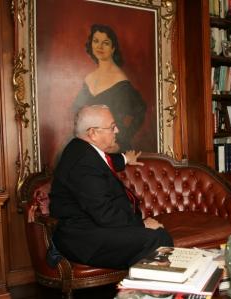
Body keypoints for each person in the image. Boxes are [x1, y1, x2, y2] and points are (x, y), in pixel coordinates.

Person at [49, 105, 173, 269]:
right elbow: (105, 213)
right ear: (93, 133)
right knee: (157, 238)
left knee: (155, 237)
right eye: (112, 127)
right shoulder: (83, 163)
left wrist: (124, 159)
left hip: (91, 227)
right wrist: (141, 224)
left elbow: (104, 161)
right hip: (82, 238)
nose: (117, 131)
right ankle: (145, 292)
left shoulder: (81, 149)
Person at [73, 24, 146, 152]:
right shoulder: (89, 77)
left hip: (109, 147)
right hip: (87, 145)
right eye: (96, 41)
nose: (99, 46)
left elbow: (140, 111)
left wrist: (120, 141)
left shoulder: (121, 81)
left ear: (113, 48)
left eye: (105, 43)